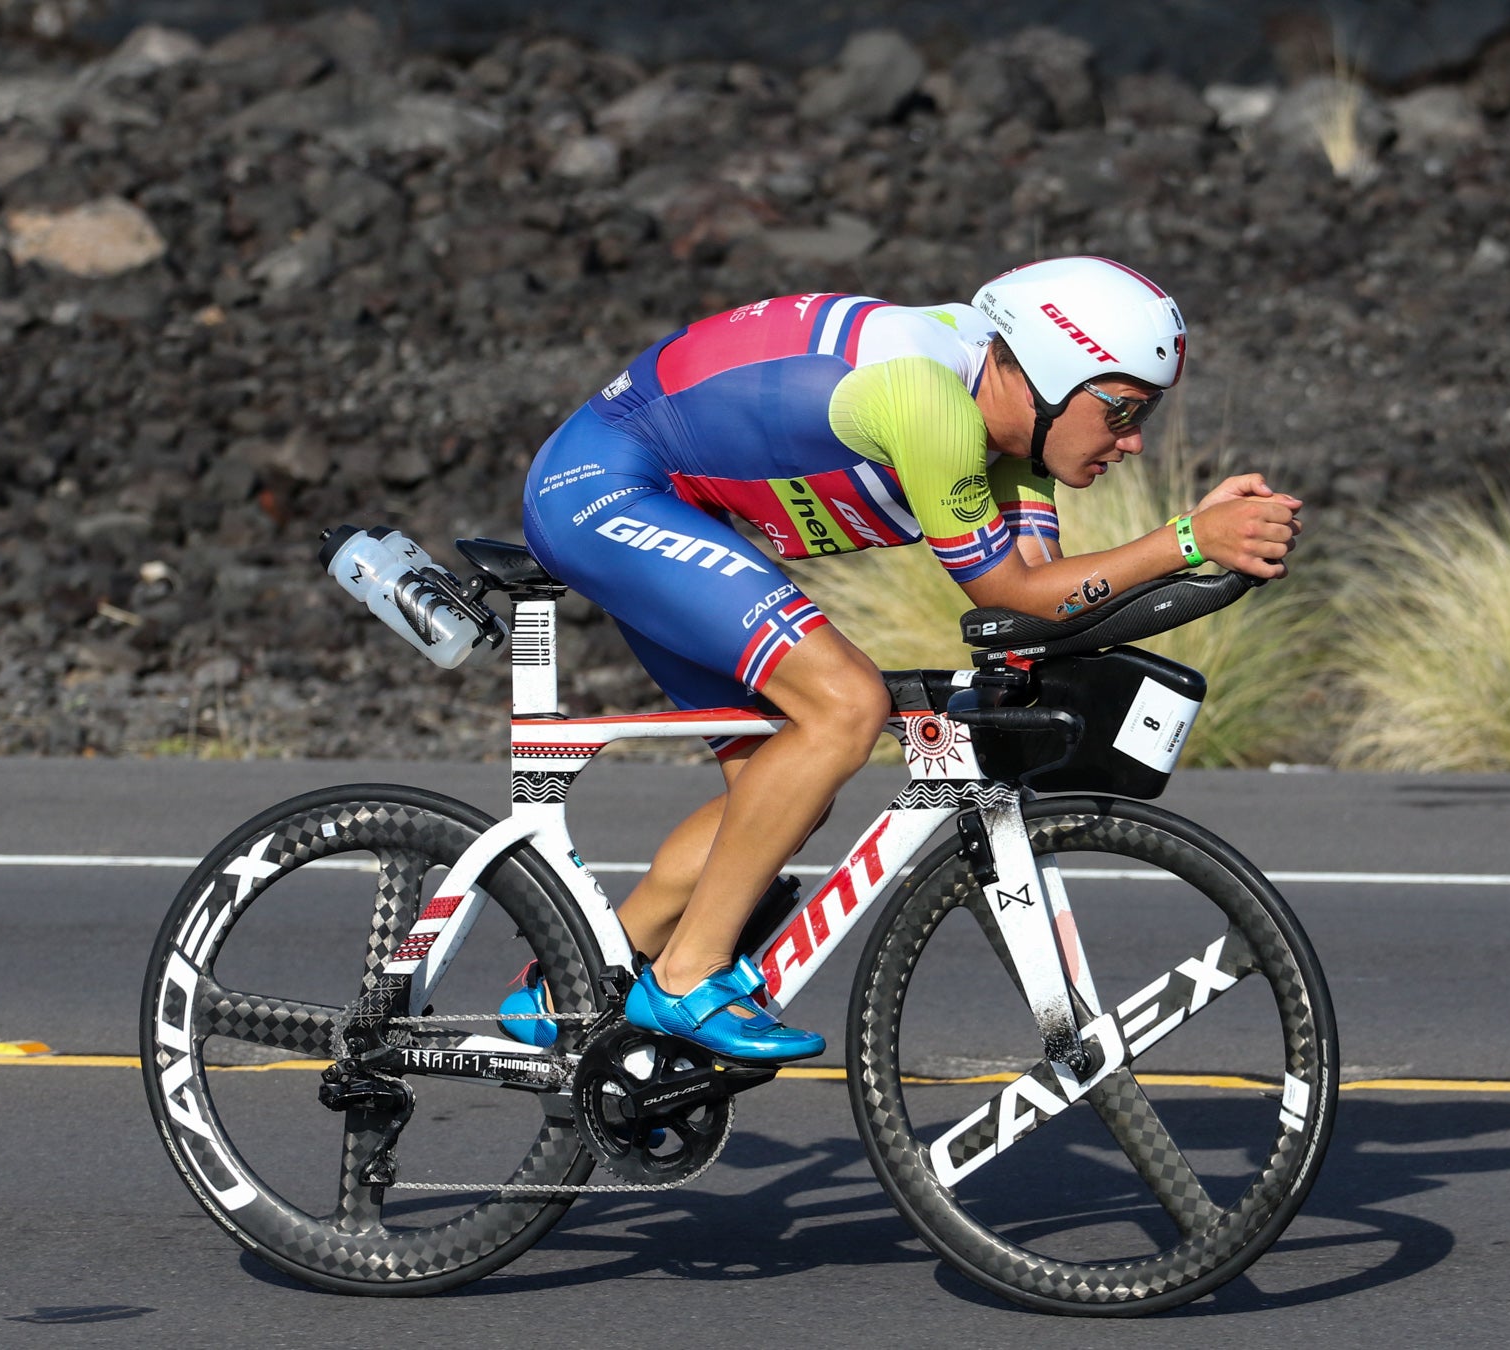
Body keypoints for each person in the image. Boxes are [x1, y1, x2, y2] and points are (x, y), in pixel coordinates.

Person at [512, 256, 1301, 1063]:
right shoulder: (931, 405)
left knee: (781, 793)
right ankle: (687, 976)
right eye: (1124, 411)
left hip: (663, 499)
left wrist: (1200, 566)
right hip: (601, 488)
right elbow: (1010, 590)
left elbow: (1031, 608)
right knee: (845, 708)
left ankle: (561, 993)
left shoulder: (1014, 431)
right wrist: (1186, 541)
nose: (1133, 442)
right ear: (1055, 376)